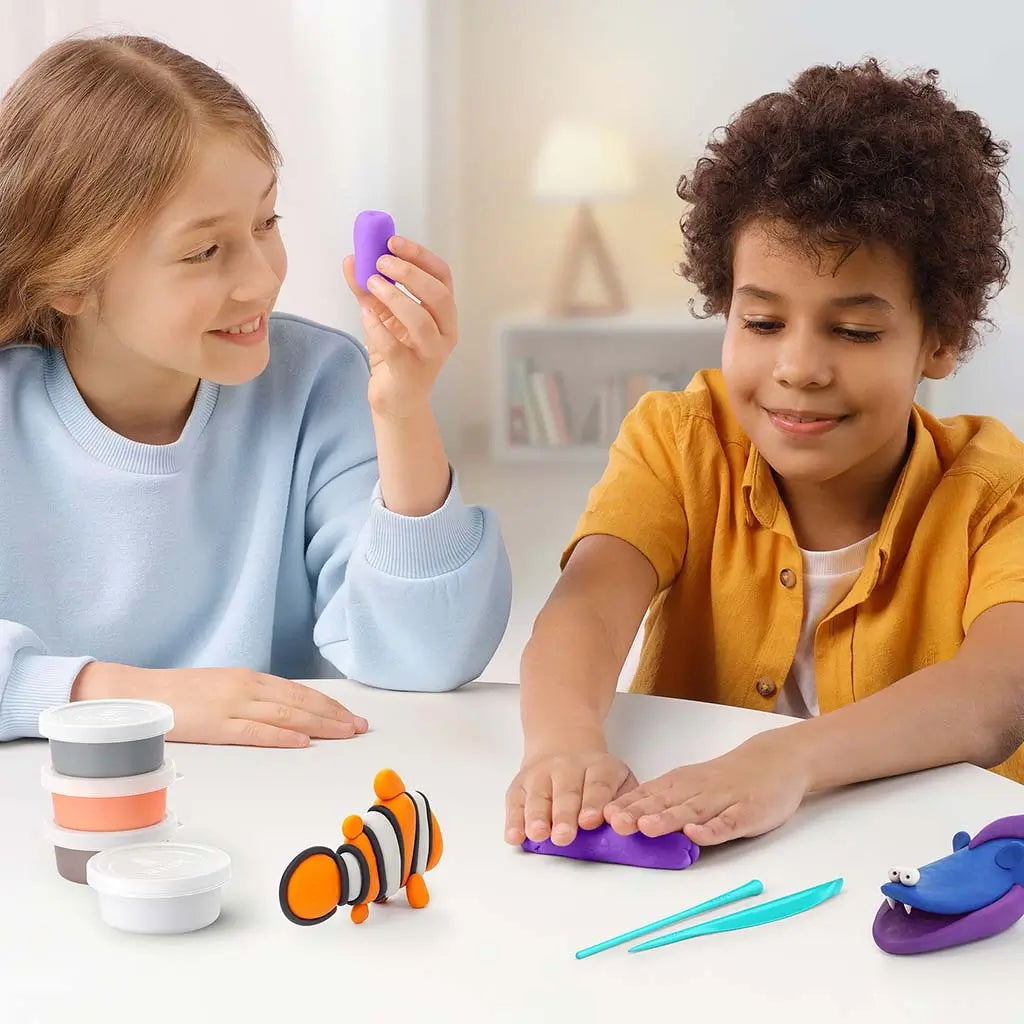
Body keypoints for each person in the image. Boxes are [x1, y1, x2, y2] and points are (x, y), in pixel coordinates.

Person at [505, 58, 1024, 852]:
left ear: (941, 339)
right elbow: (589, 605)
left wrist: (789, 758)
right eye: (763, 323)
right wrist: (564, 742)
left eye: (853, 331)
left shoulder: (996, 491)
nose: (799, 367)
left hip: (920, 868)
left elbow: (997, 693)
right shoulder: (680, 440)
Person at [0, 35, 512, 746]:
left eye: (266, 222)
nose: (264, 279)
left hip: (278, 815)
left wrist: (403, 410)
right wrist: (133, 699)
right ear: (69, 280)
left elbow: (426, 656)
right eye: (205, 251)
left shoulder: (319, 385)